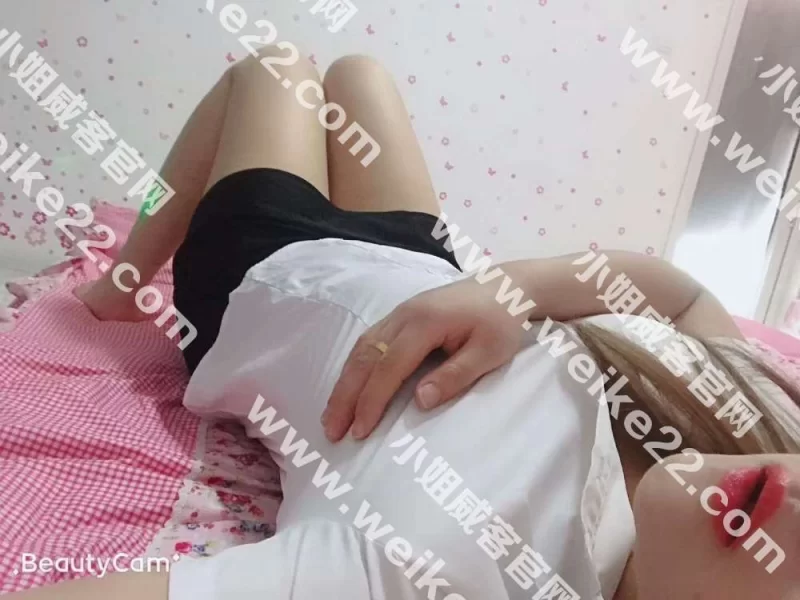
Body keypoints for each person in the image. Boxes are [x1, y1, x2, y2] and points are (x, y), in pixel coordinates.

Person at [10, 48, 800, 600]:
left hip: (269, 268)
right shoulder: (761, 424)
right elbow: (680, 296)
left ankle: (121, 281)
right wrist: (513, 291)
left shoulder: (440, 571)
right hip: (427, 261)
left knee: (274, 69)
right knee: (360, 75)